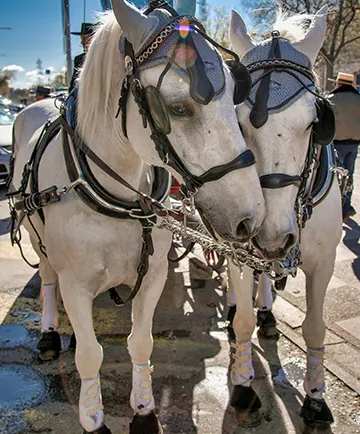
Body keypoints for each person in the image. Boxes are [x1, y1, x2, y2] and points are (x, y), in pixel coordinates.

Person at [328, 72, 360, 222]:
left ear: (338, 84)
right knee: (349, 175)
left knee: (334, 176)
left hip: (336, 143)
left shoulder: (331, 99)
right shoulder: (358, 99)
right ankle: (346, 206)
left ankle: (334, 207)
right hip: (354, 143)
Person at [69, 22, 95, 93]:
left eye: (90, 37)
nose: (87, 40)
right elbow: (73, 83)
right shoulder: (78, 59)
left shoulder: (102, 58)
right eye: (85, 37)